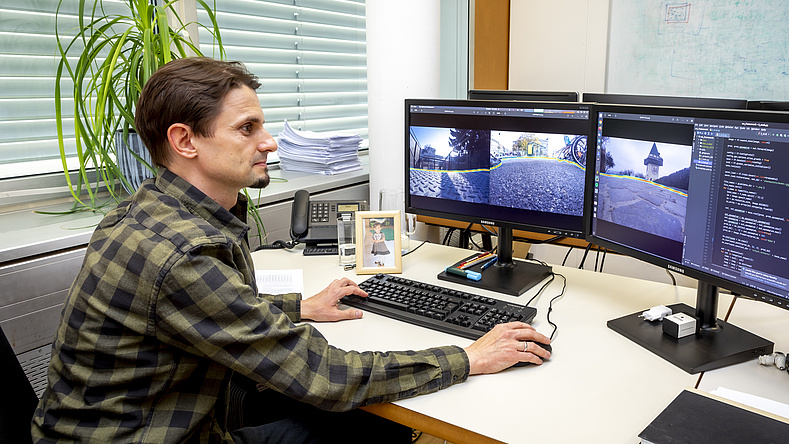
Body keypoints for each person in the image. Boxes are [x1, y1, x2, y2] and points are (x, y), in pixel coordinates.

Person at [31, 57, 551, 443]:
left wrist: (299, 307)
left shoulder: (141, 213)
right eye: (247, 128)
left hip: (119, 427)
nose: (270, 142)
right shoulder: (183, 254)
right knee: (368, 425)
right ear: (186, 140)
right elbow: (321, 376)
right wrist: (467, 356)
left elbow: (204, 311)